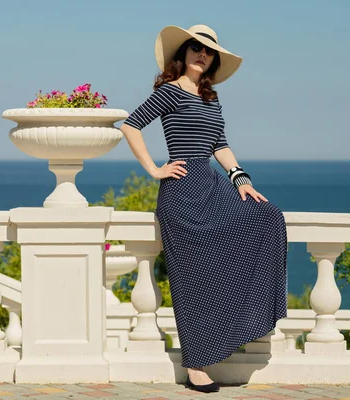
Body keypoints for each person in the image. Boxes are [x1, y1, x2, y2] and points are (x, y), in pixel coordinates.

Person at [120, 24, 288, 393]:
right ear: (182, 55)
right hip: (181, 192)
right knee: (191, 276)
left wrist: (241, 179)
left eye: (208, 51)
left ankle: (239, 325)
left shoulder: (209, 98)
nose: (202, 54)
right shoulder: (170, 92)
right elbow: (131, 126)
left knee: (268, 217)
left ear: (213, 60)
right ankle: (196, 363)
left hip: (212, 184)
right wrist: (154, 169)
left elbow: (221, 144)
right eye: (195, 47)